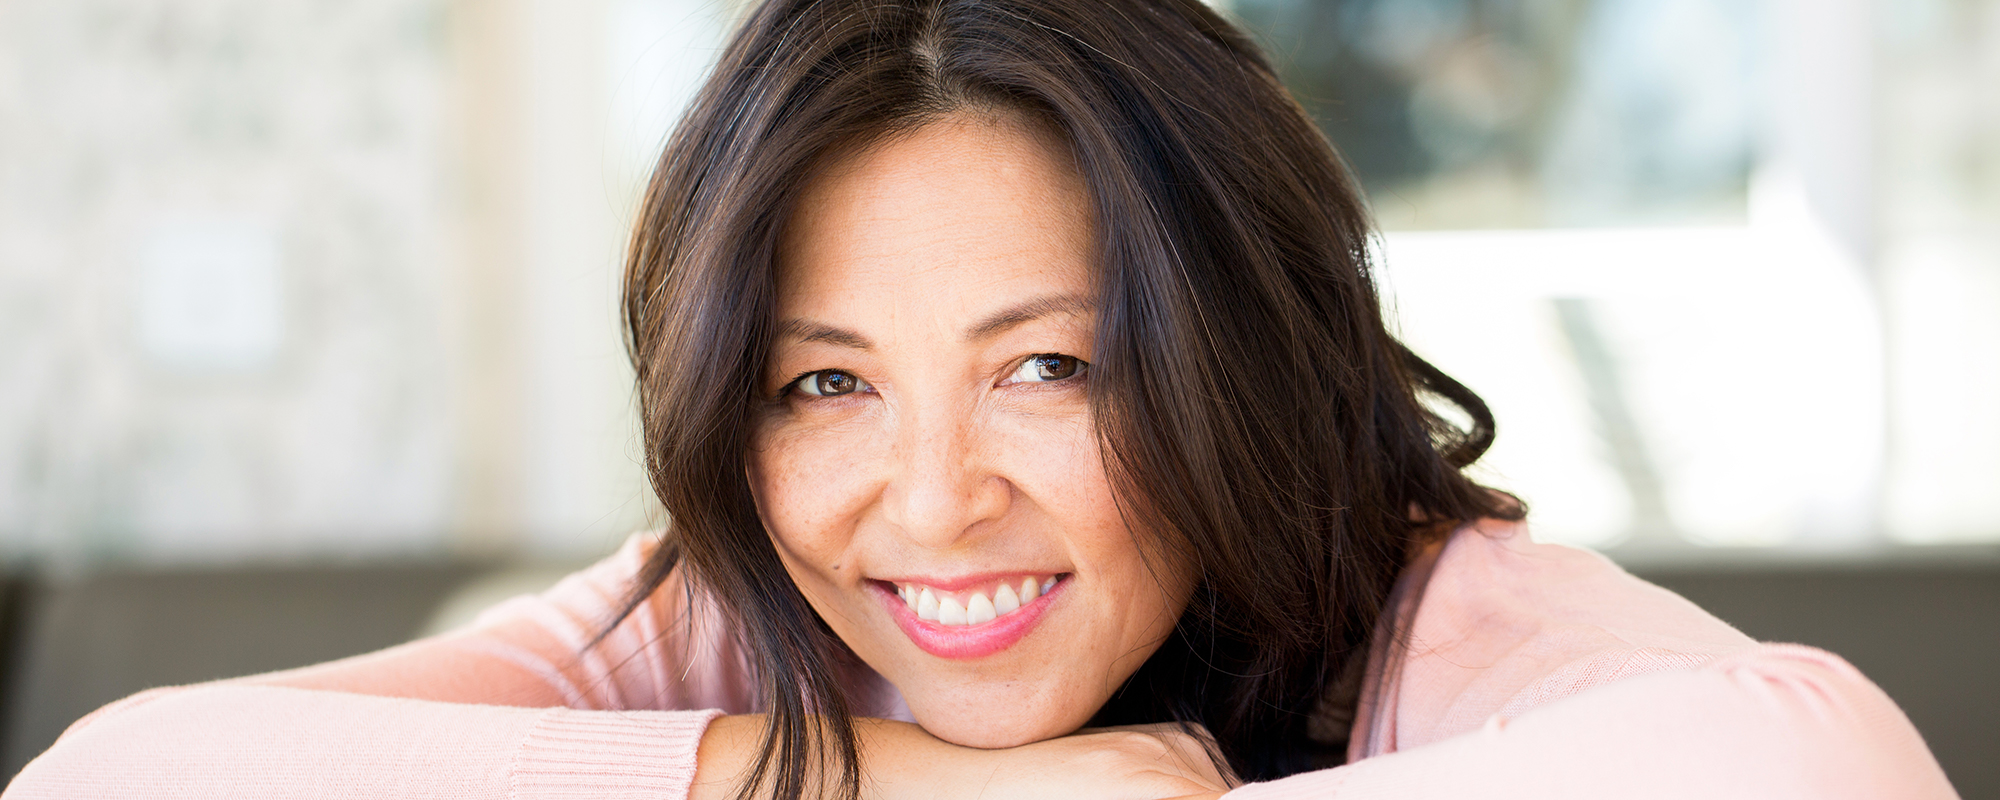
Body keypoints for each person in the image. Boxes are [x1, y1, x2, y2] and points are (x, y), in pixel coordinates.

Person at [5, 1, 1958, 798]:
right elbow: (111, 781)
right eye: (823, 383)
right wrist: (919, 785)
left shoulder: (1443, 620)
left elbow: (1813, 766)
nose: (927, 503)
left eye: (1049, 364)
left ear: (1231, 347)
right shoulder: (728, 615)